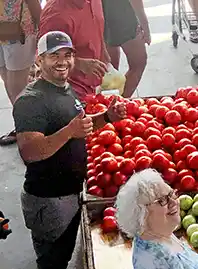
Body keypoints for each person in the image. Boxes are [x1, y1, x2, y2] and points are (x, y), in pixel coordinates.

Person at [13, 31, 126, 269]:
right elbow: (30, 152)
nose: (62, 61)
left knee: (63, 253)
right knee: (52, 260)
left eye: (68, 55)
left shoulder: (64, 89)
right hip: (48, 199)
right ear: (39, 60)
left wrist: (106, 116)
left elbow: (80, 126)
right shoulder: (31, 101)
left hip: (71, 193)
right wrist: (69, 132)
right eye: (54, 55)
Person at [115, 169, 198, 269]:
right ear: (141, 214)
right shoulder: (154, 262)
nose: (174, 202)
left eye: (171, 194)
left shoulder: (161, 233)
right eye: (162, 200)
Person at [39, 0, 111, 101]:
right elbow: (46, 57)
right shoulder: (56, 16)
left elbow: (97, 23)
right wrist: (80, 63)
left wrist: (103, 49)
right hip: (68, 92)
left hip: (93, 86)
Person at [0, 0, 41, 146]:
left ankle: (30, 130)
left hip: (20, 31)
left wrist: (42, 29)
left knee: (17, 86)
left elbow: (34, 4)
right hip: (3, 31)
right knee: (7, 79)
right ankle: (23, 126)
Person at [102, 0, 149, 98]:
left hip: (100, 16)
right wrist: (145, 24)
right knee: (138, 63)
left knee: (111, 72)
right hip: (124, 19)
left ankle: (112, 102)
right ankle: (120, 101)